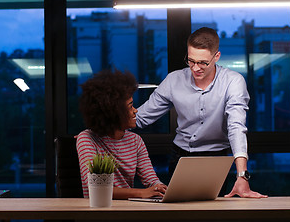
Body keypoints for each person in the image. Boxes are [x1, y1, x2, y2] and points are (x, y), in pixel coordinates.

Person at [136, 27, 267, 199]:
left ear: (216, 57)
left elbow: (236, 126)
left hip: (215, 159)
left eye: (203, 63)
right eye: (191, 61)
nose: (195, 68)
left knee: (212, 214)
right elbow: (141, 117)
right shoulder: (174, 80)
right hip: (180, 157)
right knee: (179, 213)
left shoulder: (233, 81)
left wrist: (242, 175)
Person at [76, 69, 167, 200]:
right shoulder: (87, 139)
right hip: (98, 211)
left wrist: (162, 189)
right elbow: (96, 187)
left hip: (126, 211)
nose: (135, 111)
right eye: (130, 106)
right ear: (114, 112)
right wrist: (141, 193)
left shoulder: (136, 141)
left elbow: (151, 179)